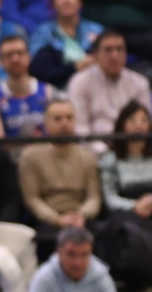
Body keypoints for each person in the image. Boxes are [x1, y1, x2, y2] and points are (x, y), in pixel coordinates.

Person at [18, 98, 101, 239]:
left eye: (69, 118)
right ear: (46, 123)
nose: (64, 123)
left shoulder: (88, 156)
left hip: (81, 217)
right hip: (47, 219)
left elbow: (94, 197)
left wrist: (80, 215)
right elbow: (32, 199)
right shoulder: (30, 156)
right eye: (57, 119)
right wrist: (56, 219)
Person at [99, 100, 152, 226]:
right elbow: (110, 198)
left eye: (144, 120)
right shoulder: (110, 158)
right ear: (122, 125)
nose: (139, 125)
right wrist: (134, 206)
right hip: (126, 211)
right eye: (132, 120)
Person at [67, 31, 152, 141]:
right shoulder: (79, 82)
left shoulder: (140, 82)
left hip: (131, 147)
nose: (115, 56)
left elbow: (148, 123)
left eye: (119, 49)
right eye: (108, 50)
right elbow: (80, 127)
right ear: (96, 55)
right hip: (94, 148)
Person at [27, 0, 101, 91]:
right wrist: (75, 67)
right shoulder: (43, 33)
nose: (66, 0)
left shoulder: (96, 29)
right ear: (53, 5)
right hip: (58, 91)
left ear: (80, 1)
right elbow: (40, 71)